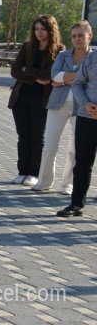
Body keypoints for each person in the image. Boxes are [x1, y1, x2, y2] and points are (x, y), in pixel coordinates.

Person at [34, 21, 92, 193]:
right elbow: (54, 76)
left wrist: (64, 79)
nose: (77, 39)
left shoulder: (93, 58)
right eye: (74, 36)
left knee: (74, 148)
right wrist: (78, 78)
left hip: (81, 106)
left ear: (90, 36)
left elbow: (91, 80)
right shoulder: (63, 55)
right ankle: (44, 182)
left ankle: (68, 184)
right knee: (50, 145)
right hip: (57, 104)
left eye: (81, 35)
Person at [8, 15, 64, 187]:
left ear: (51, 30)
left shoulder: (59, 49)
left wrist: (28, 70)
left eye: (43, 29)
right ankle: (22, 171)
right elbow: (15, 71)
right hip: (22, 97)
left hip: (42, 99)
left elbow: (49, 74)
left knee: (37, 137)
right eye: (36, 29)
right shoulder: (27, 47)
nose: (39, 32)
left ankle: (33, 173)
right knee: (23, 136)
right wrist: (34, 78)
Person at [57, 33, 97, 217]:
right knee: (82, 164)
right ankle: (76, 205)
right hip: (86, 117)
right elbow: (78, 84)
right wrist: (85, 104)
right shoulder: (92, 58)